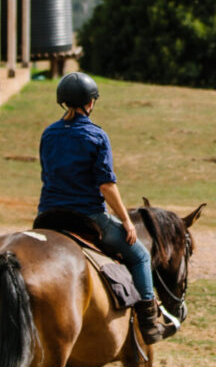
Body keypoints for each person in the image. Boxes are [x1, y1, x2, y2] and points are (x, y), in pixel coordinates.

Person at [38, 71, 173, 346]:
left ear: (62, 101)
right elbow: (106, 186)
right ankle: (149, 324)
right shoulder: (96, 136)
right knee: (139, 256)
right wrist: (126, 220)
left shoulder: (48, 134)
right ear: (90, 102)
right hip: (88, 217)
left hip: (48, 217)